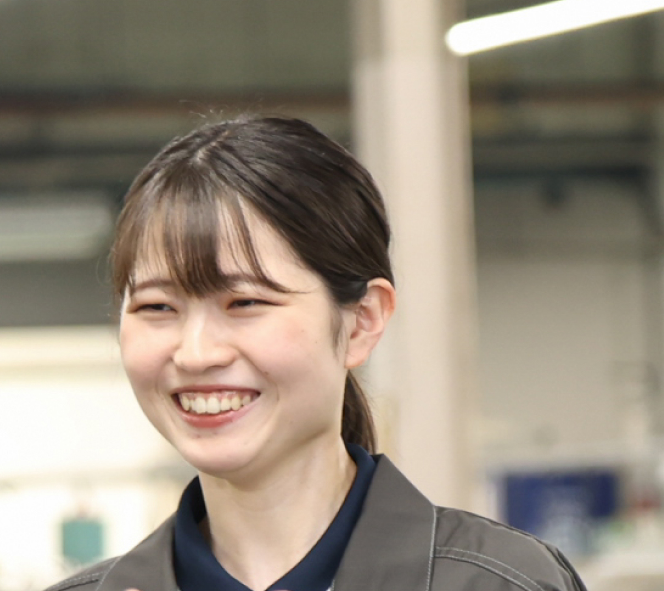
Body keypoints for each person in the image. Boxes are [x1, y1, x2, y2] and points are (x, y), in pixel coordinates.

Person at [49, 116, 583, 591]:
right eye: (157, 307)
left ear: (362, 320)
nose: (195, 353)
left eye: (245, 302)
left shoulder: (501, 583)